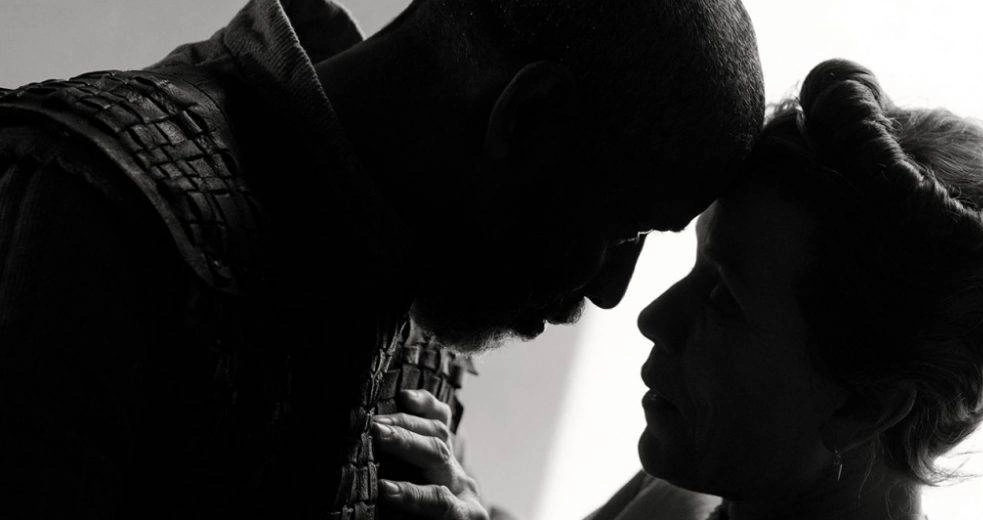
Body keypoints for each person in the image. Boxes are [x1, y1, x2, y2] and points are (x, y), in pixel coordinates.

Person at [0, 0, 764, 518]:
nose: (611, 293)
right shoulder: (94, 211)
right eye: (623, 230)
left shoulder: (411, 278)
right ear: (527, 119)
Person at [378, 59, 983, 520]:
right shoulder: (685, 492)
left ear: (863, 408)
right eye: (698, 268)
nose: (653, 318)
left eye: (724, 299)